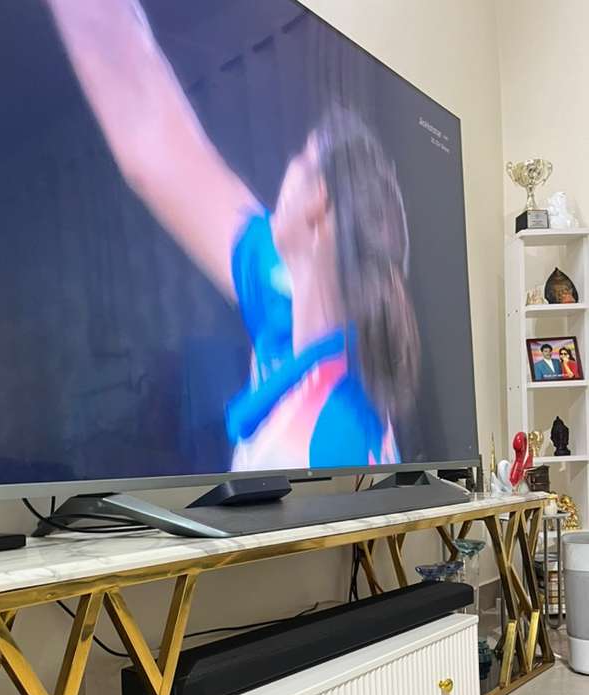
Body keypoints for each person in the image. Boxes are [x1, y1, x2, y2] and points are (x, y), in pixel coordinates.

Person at [45, 0, 420, 470]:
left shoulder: (325, 441)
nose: (288, 170)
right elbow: (157, 146)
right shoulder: (288, 295)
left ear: (317, 204)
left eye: (302, 159)